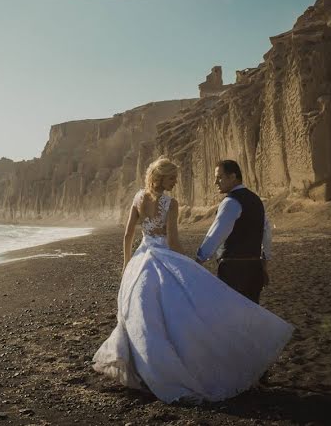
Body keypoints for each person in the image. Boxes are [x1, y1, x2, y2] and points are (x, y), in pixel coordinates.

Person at [91, 157, 293, 403]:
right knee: (239, 313)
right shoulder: (251, 202)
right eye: (172, 177)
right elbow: (176, 241)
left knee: (145, 315)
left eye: (219, 177)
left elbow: (128, 234)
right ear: (160, 177)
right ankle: (248, 370)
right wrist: (263, 260)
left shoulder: (139, 198)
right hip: (248, 266)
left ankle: (144, 368)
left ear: (233, 177)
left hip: (143, 260)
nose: (176, 181)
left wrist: (127, 264)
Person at [195, 159, 272, 304]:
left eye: (219, 177)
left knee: (230, 317)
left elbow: (217, 233)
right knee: (250, 317)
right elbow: (266, 232)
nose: (215, 182)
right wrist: (264, 264)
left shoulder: (231, 202)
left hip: (233, 271)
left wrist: (199, 259)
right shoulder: (256, 200)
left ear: (233, 177)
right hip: (255, 270)